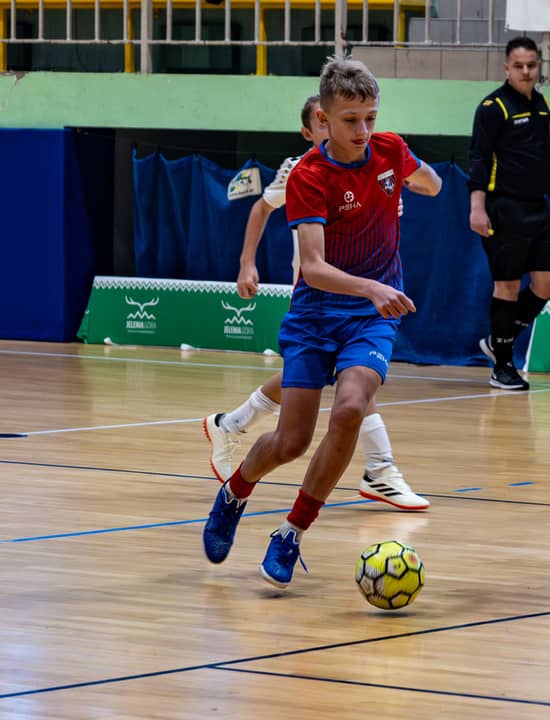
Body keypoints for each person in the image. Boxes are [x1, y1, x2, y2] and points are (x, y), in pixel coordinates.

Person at [202, 58, 443, 589]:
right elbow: (312, 267)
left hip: (370, 319)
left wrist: (420, 179)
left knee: (352, 407)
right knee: (291, 441)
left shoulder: (390, 149)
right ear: (323, 119)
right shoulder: (309, 176)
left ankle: (291, 531)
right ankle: (235, 491)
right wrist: (374, 287)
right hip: (316, 315)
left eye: (370, 118)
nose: (363, 130)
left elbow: (431, 182)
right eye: (351, 120)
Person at [468, 35, 550, 391]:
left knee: (548, 280)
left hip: (538, 207)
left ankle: (500, 339)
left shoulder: (541, 105)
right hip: (502, 207)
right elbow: (479, 158)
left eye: (531, 65)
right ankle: (503, 367)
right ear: (507, 68)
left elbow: (549, 159)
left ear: (539, 66)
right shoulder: (492, 107)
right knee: (507, 285)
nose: (526, 72)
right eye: (519, 66)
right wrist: (477, 207)